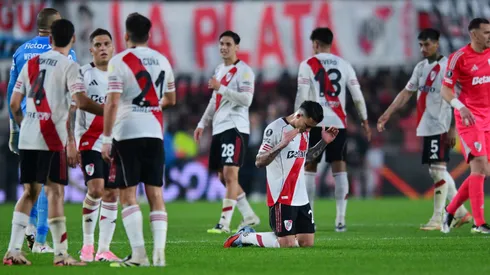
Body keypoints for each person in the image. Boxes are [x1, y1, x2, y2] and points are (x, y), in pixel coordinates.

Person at [3, 18, 103, 266]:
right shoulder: (70, 65)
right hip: (52, 137)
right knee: (55, 192)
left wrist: (25, 122)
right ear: (72, 40)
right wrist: (107, 109)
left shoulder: (31, 63)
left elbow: (14, 104)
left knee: (29, 192)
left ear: (49, 39)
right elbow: (80, 102)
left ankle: (13, 251)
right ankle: (61, 254)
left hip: (28, 134)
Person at [101, 13, 176, 267]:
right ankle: (159, 255)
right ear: (149, 35)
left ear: (125, 35)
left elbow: (112, 102)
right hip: (154, 132)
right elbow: (171, 99)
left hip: (127, 132)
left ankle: (139, 255)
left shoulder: (119, 61)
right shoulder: (163, 60)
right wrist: (153, 105)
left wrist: (105, 138)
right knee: (155, 193)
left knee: (128, 194)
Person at [377, 28, 471, 230]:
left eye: (427, 44)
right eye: (420, 45)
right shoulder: (420, 67)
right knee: (437, 170)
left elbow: (459, 97)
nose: (423, 48)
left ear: (437, 43)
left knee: (437, 171)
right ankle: (461, 212)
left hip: (442, 125)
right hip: (427, 125)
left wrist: (454, 126)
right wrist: (388, 113)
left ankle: (439, 218)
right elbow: (406, 93)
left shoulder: (447, 67)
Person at [6, 7, 77, 253]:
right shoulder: (66, 54)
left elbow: (11, 97)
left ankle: (26, 232)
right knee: (52, 186)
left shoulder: (21, 52)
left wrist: (15, 127)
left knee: (30, 187)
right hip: (52, 126)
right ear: (57, 27)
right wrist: (72, 136)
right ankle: (41, 242)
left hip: (27, 125)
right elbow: (73, 98)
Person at [223, 101, 338, 248]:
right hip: (281, 196)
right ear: (299, 115)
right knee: (287, 244)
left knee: (306, 243)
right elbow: (259, 161)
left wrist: (324, 142)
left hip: (301, 196)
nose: (309, 130)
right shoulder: (275, 129)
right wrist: (282, 144)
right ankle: (245, 236)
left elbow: (304, 158)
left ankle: (277, 236)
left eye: (312, 127)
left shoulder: (304, 132)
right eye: (307, 125)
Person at [294, 27, 371, 232]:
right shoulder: (344, 65)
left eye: (313, 45)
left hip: (314, 122)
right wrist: (364, 120)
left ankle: (310, 218)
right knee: (339, 167)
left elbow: (302, 94)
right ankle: (340, 220)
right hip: (338, 123)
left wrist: (296, 119)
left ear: (316, 44)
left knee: (309, 167)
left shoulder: (307, 65)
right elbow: (357, 95)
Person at [194, 30, 260, 234]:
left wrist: (221, 88)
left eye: (228, 44)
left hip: (236, 127)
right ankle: (249, 215)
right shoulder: (219, 70)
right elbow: (215, 100)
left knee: (231, 174)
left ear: (237, 47)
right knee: (223, 177)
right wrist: (202, 123)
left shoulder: (245, 71)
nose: (223, 47)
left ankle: (224, 223)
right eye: (221, 43)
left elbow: (247, 100)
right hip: (219, 128)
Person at [69, 28, 120, 262]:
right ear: (91, 50)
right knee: (96, 189)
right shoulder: (82, 74)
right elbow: (71, 109)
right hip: (89, 139)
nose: (102, 48)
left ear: (113, 47)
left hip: (116, 141)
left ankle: (104, 249)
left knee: (112, 193)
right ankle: (87, 246)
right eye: (97, 45)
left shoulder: (121, 75)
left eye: (106, 44)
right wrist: (71, 141)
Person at [440, 18, 490, 234]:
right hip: (469, 119)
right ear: (474, 34)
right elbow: (446, 90)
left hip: (489, 118)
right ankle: (479, 224)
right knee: (480, 165)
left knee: (481, 171)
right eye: (487, 32)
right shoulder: (458, 58)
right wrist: (460, 107)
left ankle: (450, 210)